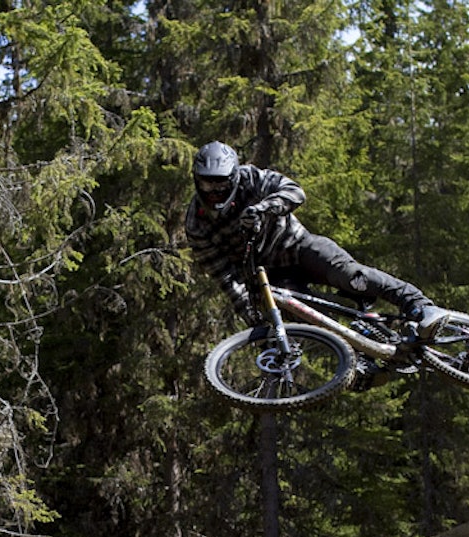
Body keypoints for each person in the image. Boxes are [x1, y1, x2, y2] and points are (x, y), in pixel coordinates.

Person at [184, 141, 445, 385]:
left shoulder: (252, 178)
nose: (215, 192)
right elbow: (225, 278)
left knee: (352, 276)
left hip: (299, 247)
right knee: (317, 324)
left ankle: (420, 307)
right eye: (207, 185)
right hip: (271, 278)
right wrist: (256, 320)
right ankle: (363, 362)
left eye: (220, 185)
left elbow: (294, 191)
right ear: (197, 181)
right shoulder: (196, 225)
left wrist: (265, 208)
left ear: (234, 177)